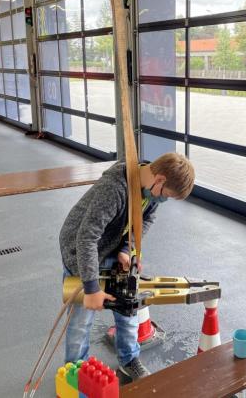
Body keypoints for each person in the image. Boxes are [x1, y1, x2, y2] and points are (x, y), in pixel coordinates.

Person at [58, 152, 195, 380]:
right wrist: (91, 288)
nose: (163, 200)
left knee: (128, 309)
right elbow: (86, 238)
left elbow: (145, 220)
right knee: (81, 318)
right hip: (79, 248)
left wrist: (125, 248)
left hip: (111, 244)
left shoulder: (151, 192)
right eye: (166, 195)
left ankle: (129, 359)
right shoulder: (114, 188)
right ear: (159, 179)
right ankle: (75, 370)